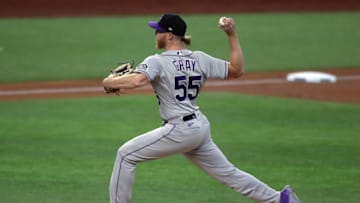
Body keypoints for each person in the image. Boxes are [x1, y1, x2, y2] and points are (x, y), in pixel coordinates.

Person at [103, 14, 301, 203]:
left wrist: (109, 81)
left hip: (178, 130)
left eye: (158, 31)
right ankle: (280, 199)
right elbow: (237, 70)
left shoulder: (157, 61)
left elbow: (138, 80)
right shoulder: (199, 58)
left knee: (125, 155)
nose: (155, 34)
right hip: (199, 127)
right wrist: (231, 34)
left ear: (169, 35)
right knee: (229, 174)